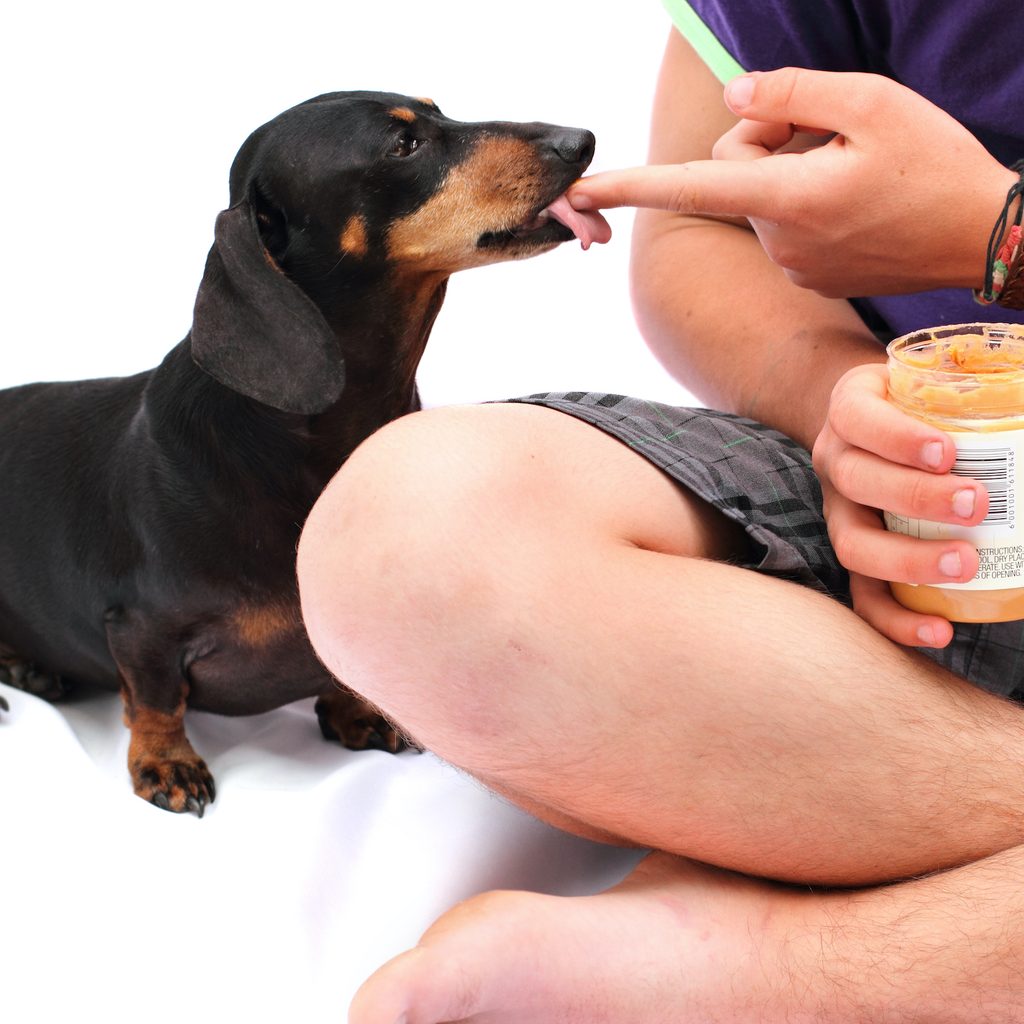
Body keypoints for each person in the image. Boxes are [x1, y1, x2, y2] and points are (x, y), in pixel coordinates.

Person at [296, 1, 1024, 1019]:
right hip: (942, 512)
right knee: (401, 546)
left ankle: (770, 968)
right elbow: (697, 228)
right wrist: (856, 428)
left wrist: (1000, 234)